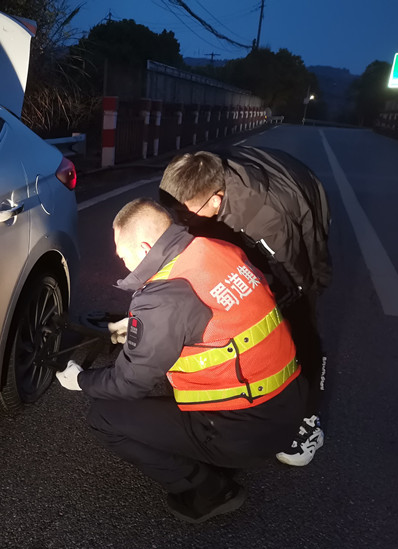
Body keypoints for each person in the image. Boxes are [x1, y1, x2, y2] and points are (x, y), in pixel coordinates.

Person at [56, 198, 307, 524]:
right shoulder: (215, 248)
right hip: (288, 400)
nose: (123, 262)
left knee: (104, 416)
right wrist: (135, 329)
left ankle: (210, 491)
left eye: (123, 254)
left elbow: (129, 383)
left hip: (245, 428)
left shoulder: (162, 297)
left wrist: (80, 380)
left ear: (145, 247)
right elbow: (206, 319)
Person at [159, 147, 331, 467]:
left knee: (300, 314)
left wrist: (253, 304)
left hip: (301, 194)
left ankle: (307, 419)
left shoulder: (269, 221)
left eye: (183, 213)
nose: (176, 220)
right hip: (252, 181)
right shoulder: (191, 186)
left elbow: (297, 281)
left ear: (215, 199)